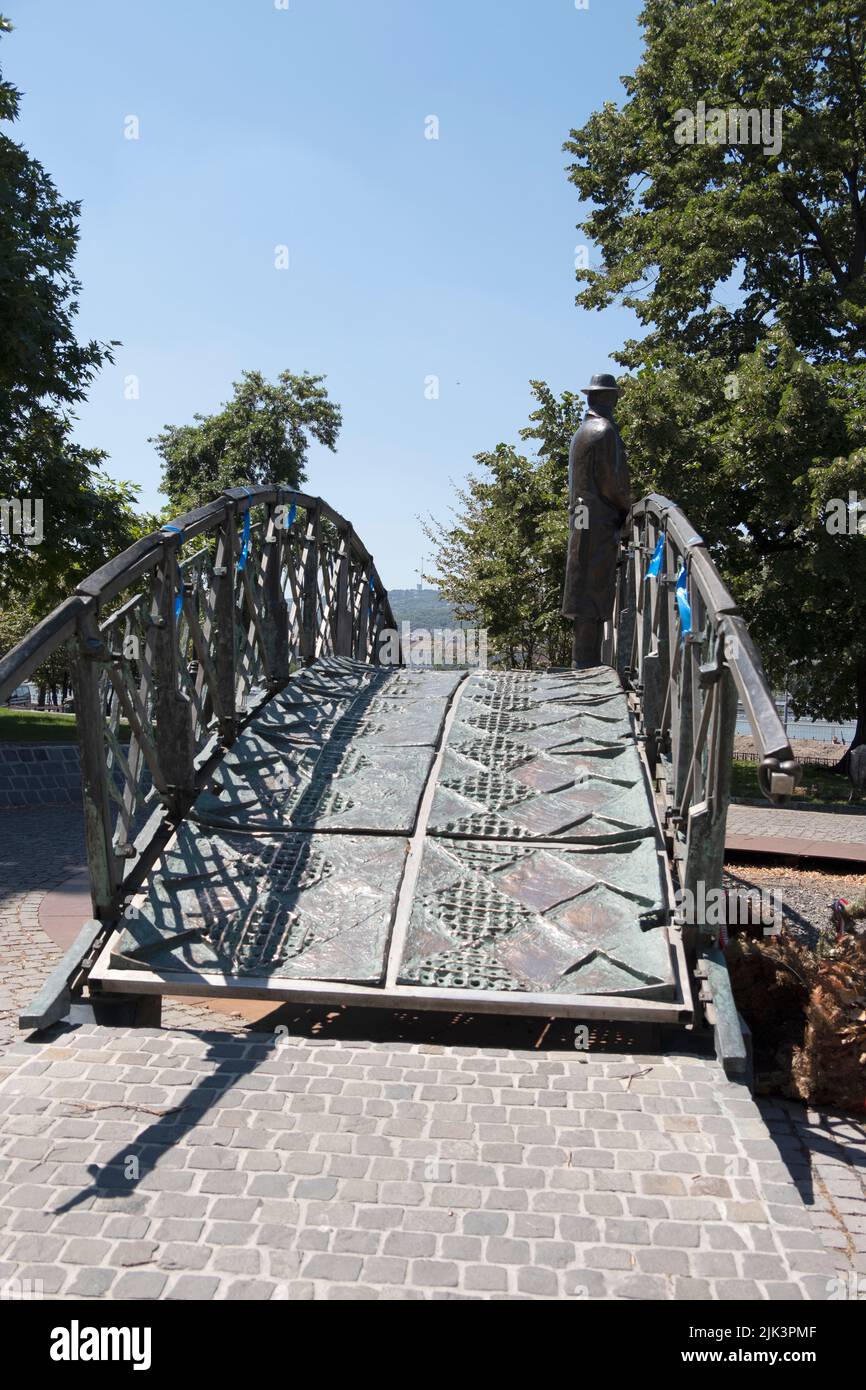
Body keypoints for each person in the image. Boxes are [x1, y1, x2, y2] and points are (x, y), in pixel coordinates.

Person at [561, 372, 632, 666]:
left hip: (581, 515)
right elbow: (611, 481)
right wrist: (627, 509)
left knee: (582, 579)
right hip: (598, 518)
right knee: (593, 583)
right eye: (613, 394)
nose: (616, 399)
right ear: (605, 397)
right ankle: (586, 663)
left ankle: (583, 659)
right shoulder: (604, 430)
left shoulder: (583, 432)